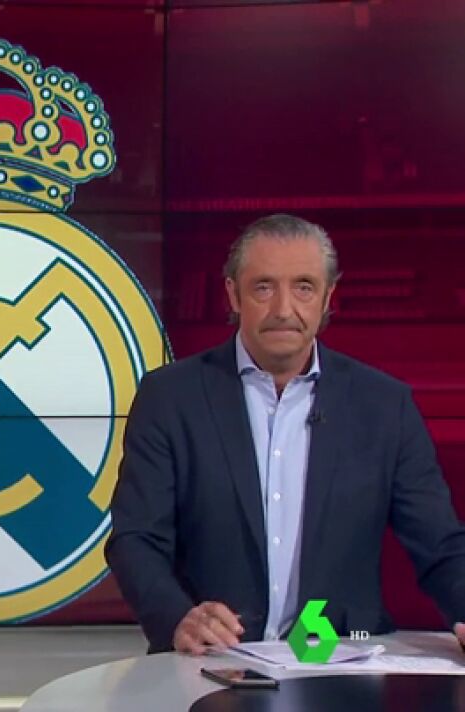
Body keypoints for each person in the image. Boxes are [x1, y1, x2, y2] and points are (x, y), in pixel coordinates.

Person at [106, 213, 465, 655]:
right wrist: (177, 617)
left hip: (337, 659)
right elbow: (136, 538)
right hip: (212, 660)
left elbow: (440, 545)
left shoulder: (385, 406)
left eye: (303, 287)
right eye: (263, 287)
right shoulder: (171, 398)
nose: (283, 310)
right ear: (233, 294)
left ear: (327, 297)